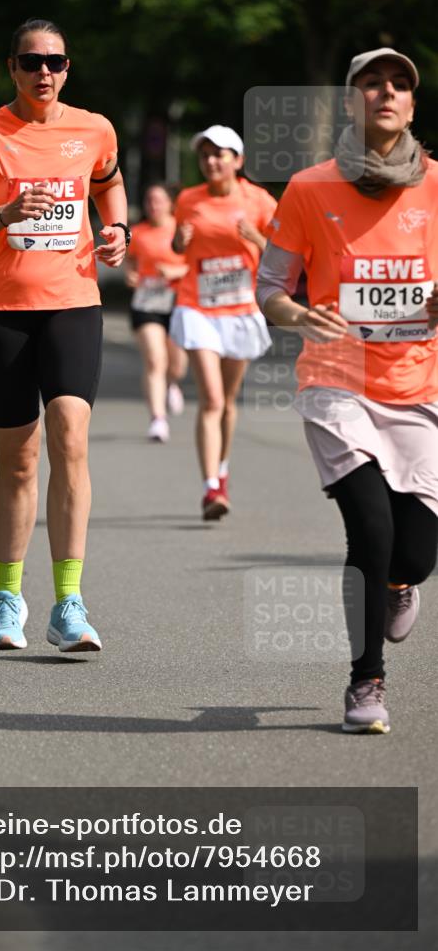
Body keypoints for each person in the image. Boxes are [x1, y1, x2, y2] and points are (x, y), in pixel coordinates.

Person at [257, 48, 438, 734]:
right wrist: (298, 314)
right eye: (369, 84)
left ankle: (398, 584)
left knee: (415, 553)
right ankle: (365, 683)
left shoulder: (435, 187)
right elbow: (269, 288)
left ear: (412, 105)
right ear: (351, 101)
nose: (384, 93)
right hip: (335, 383)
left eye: (397, 85)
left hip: (417, 387)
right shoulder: (307, 188)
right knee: (369, 526)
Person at [0, 17, 128, 653]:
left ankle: (69, 603)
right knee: (18, 460)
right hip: (1, 314)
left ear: (68, 68)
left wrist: (118, 230)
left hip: (74, 303)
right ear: (11, 68)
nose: (43, 72)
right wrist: (4, 214)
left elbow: (109, 181)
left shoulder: (94, 128)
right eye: (30, 62)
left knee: (71, 437)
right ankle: (7, 597)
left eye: (56, 62)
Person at [171, 126, 277, 519]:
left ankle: (223, 469)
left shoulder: (259, 200)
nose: (212, 161)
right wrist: (180, 242)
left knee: (229, 402)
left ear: (238, 160)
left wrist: (257, 239)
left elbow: (287, 255)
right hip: (197, 306)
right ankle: (210, 487)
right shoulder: (188, 199)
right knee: (212, 399)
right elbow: (178, 248)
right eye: (205, 156)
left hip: (240, 310)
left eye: (220, 154)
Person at [124, 183, 188, 442]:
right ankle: (158, 419)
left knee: (177, 366)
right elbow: (129, 260)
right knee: (154, 360)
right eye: (149, 200)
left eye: (159, 200)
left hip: (179, 301)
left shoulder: (182, 230)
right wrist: (130, 274)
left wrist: (176, 273)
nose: (153, 205)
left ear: (171, 204)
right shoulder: (137, 233)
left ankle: (172, 384)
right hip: (147, 302)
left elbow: (198, 264)